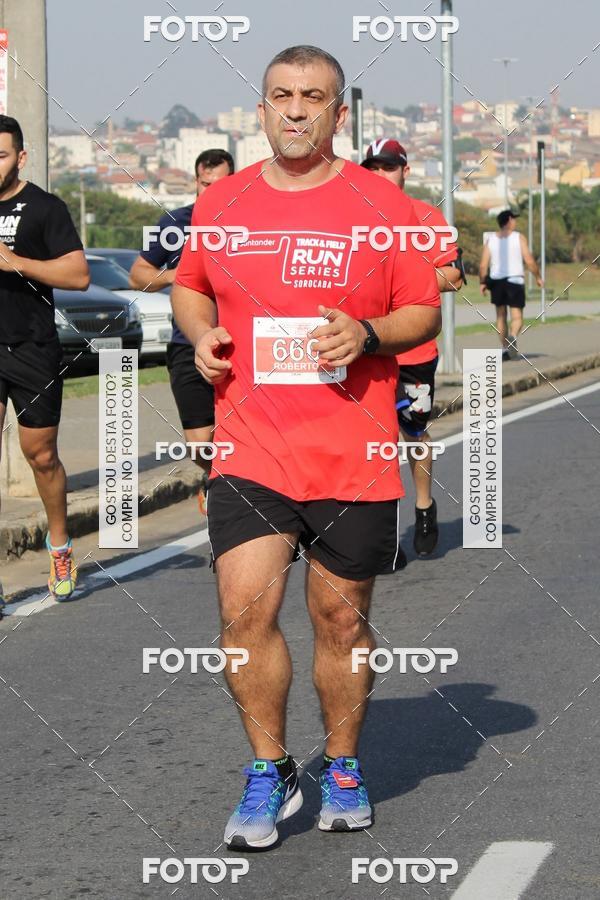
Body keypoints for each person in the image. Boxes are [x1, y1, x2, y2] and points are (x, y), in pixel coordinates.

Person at [172, 45, 441, 850]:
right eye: (282, 95)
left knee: (340, 623)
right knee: (241, 611)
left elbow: (423, 315)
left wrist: (365, 333)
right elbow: (191, 285)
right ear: (262, 109)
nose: (296, 109)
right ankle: (269, 769)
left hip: (349, 452)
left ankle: (346, 765)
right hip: (251, 447)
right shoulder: (221, 201)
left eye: (313, 97)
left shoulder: (382, 207)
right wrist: (201, 335)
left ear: (339, 113)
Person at [0, 116, 89, 614]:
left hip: (33, 347)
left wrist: (16, 262)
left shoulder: (45, 208)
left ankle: (59, 547)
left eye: (1, 155)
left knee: (41, 455)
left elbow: (77, 275)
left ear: (21, 157)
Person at [361, 139, 464, 556]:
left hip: (414, 354)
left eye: (389, 167)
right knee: (372, 440)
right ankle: (385, 532)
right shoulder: (351, 218)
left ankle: (424, 505)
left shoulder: (426, 217)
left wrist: (401, 279)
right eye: (373, 168)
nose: (381, 175)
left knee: (413, 433)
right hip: (366, 349)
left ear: (405, 171)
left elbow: (454, 276)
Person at [129, 149, 234, 513]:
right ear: (195, 182)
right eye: (205, 185)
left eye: (218, 185)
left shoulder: (248, 224)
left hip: (238, 346)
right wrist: (183, 276)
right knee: (199, 442)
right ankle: (215, 475)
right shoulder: (176, 224)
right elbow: (138, 275)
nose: (210, 192)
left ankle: (231, 489)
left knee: (242, 433)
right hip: (185, 343)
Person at [479, 209, 543, 360]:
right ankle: (513, 336)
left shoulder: (491, 240)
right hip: (515, 281)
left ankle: (504, 348)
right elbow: (529, 260)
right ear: (508, 220)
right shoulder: (519, 238)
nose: (515, 222)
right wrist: (538, 277)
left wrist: (482, 282)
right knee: (517, 317)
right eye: (514, 219)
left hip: (496, 282)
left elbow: (483, 265)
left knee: (500, 317)